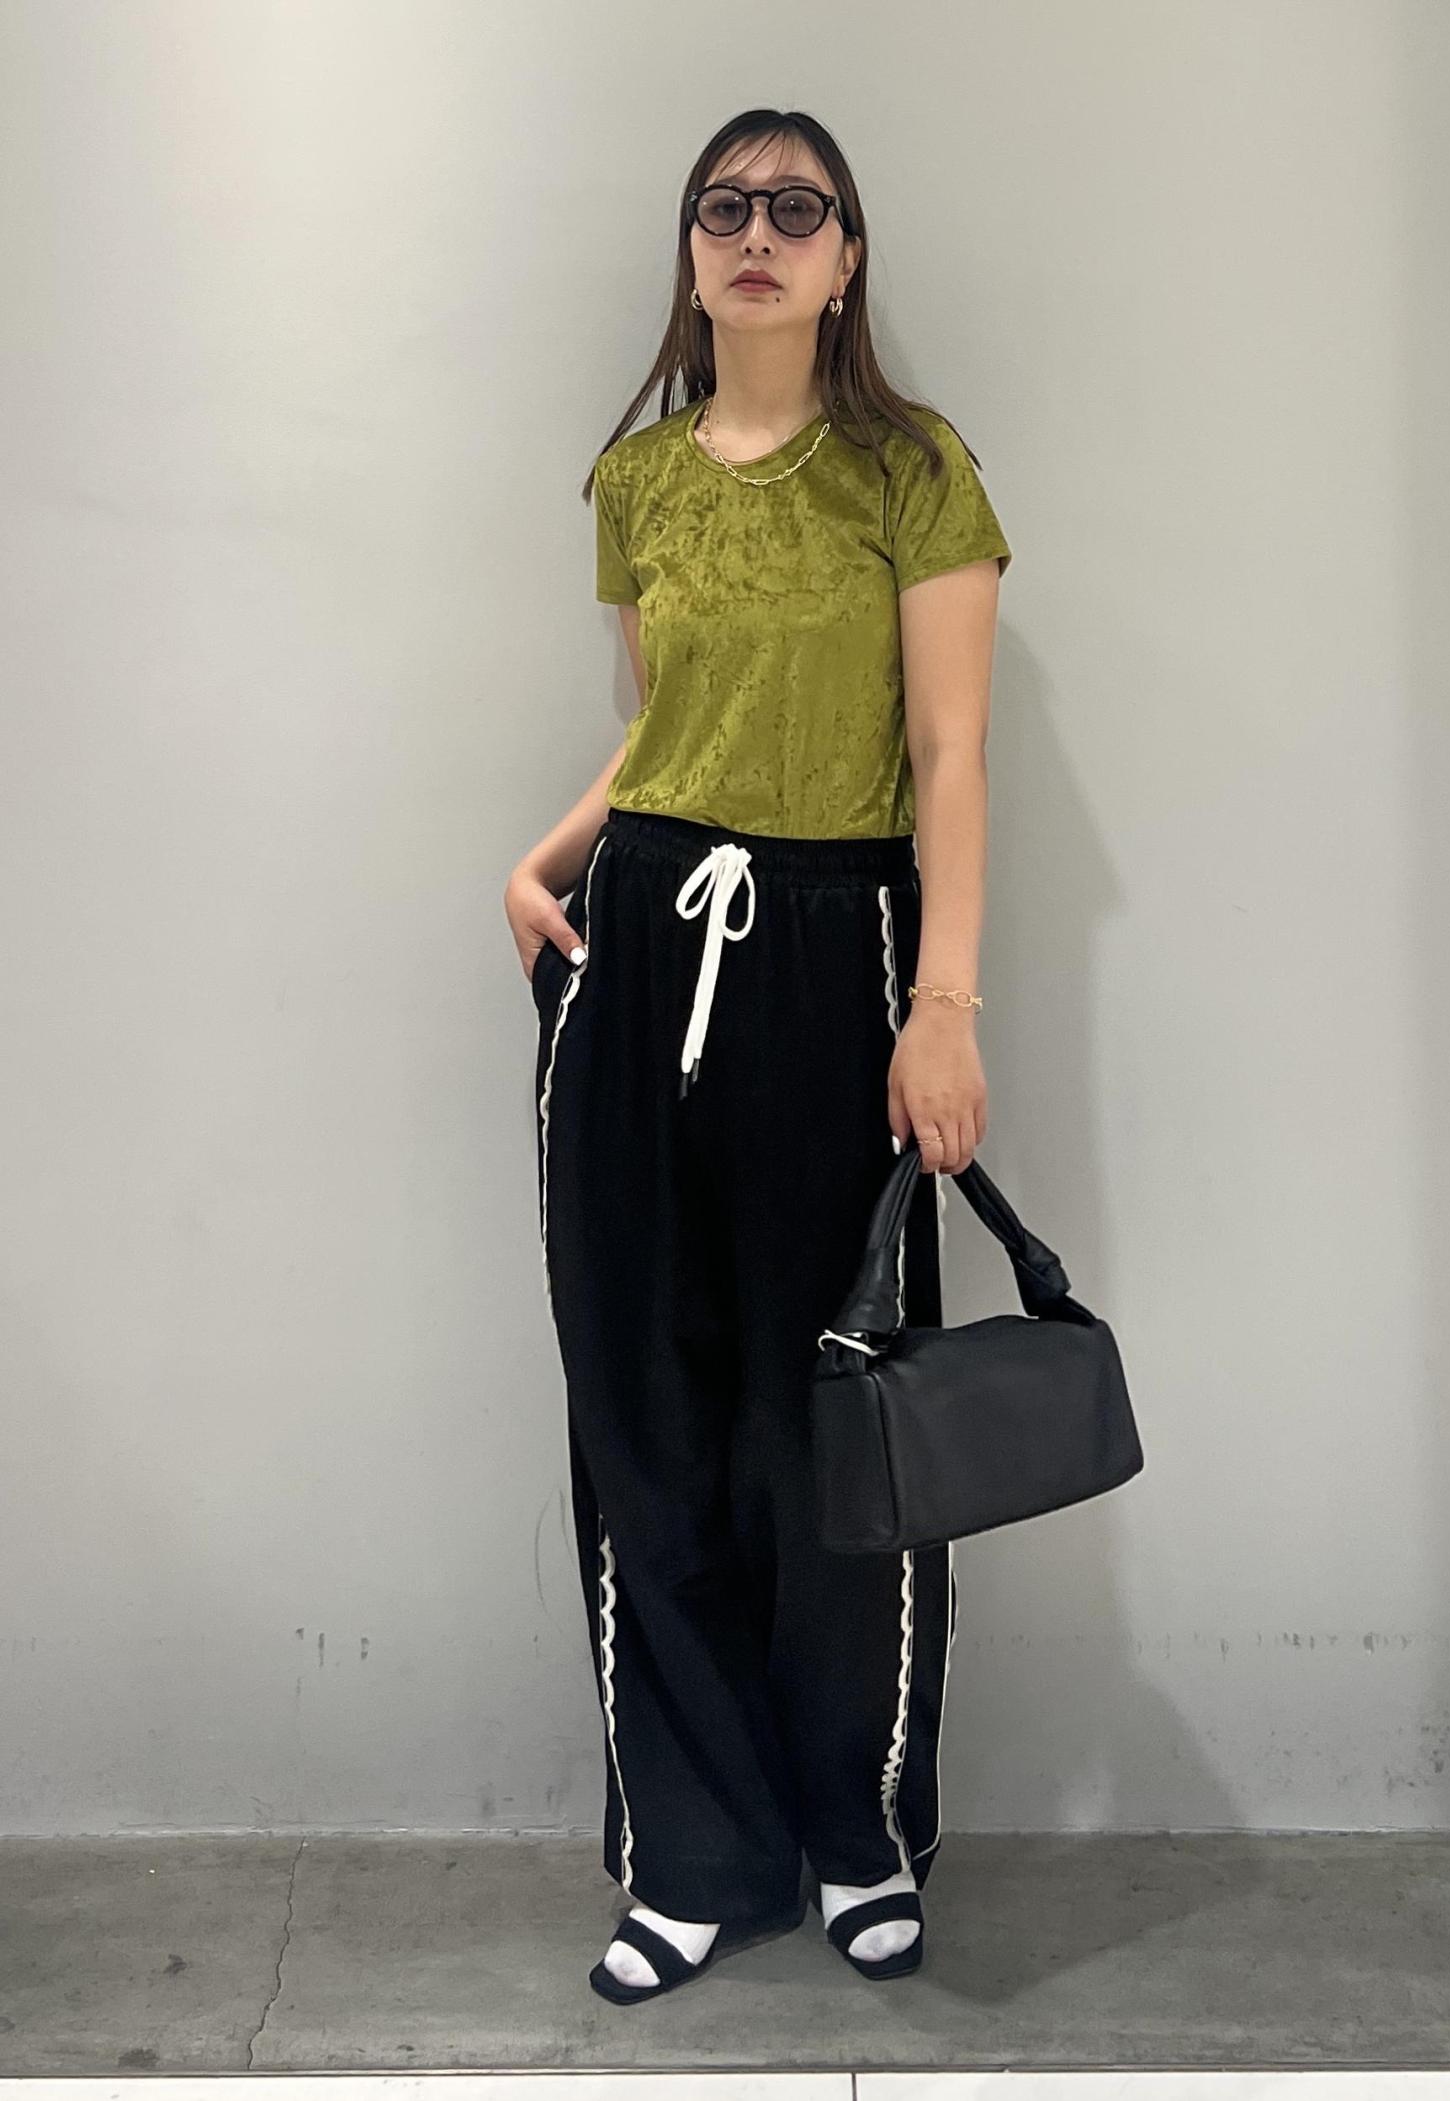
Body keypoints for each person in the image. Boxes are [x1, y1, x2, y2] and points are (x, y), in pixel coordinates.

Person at [505, 106, 1011, 2005]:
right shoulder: (638, 478)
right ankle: (693, 1850)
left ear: (847, 256)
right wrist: (546, 860)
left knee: (837, 1427)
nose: (759, 233)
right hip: (639, 946)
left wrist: (941, 1002)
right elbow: (666, 731)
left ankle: (856, 1827)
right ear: (692, 248)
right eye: (726, 206)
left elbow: (950, 753)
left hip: (833, 950)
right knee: (648, 1413)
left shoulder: (912, 470)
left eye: (799, 207)